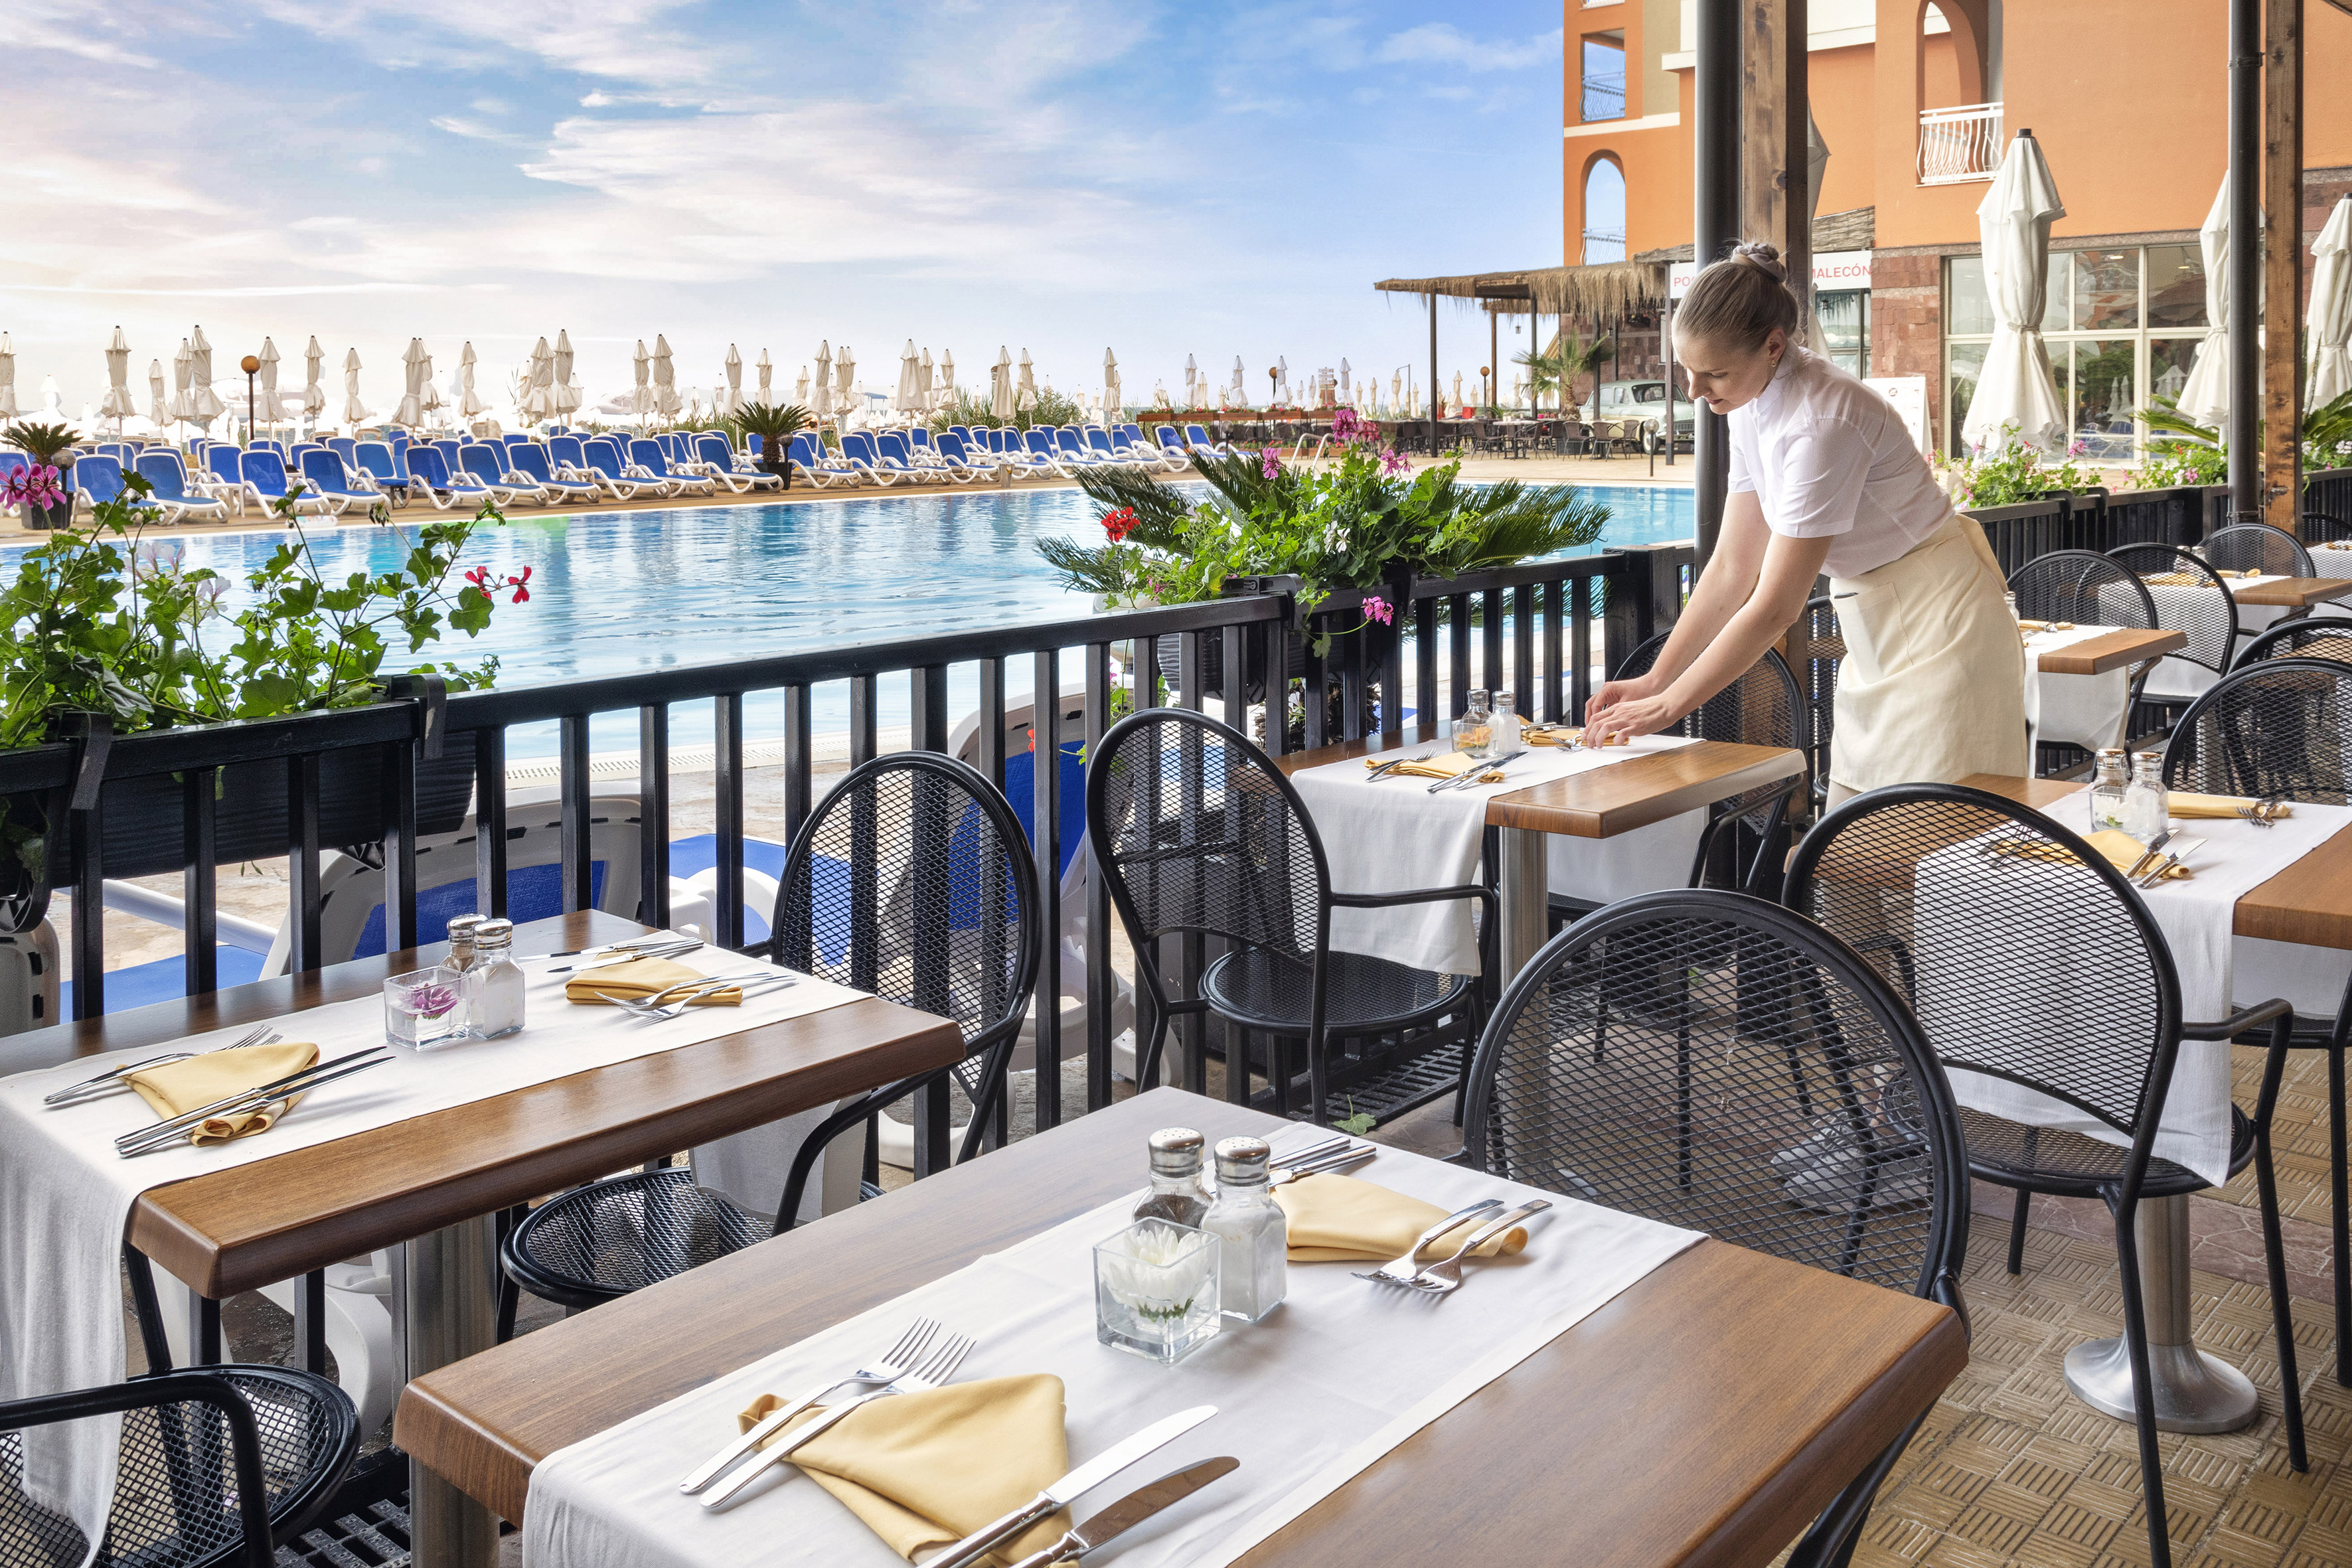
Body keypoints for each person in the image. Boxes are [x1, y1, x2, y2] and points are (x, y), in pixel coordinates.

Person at [1581, 242, 2025, 803]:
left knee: (1932, 849)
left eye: (1713, 373)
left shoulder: (1824, 421)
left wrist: (1672, 706)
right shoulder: (1747, 404)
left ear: (1773, 346)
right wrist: (1655, 679)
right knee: (1850, 841)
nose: (1694, 392)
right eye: (1687, 371)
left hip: (1944, 627)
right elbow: (1731, 567)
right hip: (1879, 627)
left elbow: (1775, 606)